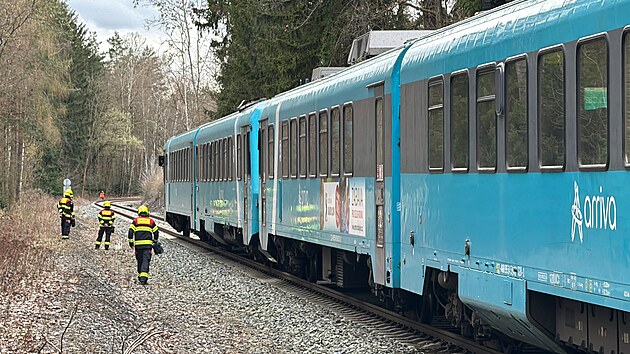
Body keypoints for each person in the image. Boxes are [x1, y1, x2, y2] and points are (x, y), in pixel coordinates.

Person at [128, 205, 159, 285]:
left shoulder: (136, 221)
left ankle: (139, 276)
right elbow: (156, 232)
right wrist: (155, 241)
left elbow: (130, 231)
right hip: (148, 246)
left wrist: (131, 242)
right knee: (146, 261)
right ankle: (143, 279)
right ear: (147, 212)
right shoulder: (151, 221)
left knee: (139, 260)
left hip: (138, 246)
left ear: (139, 212)